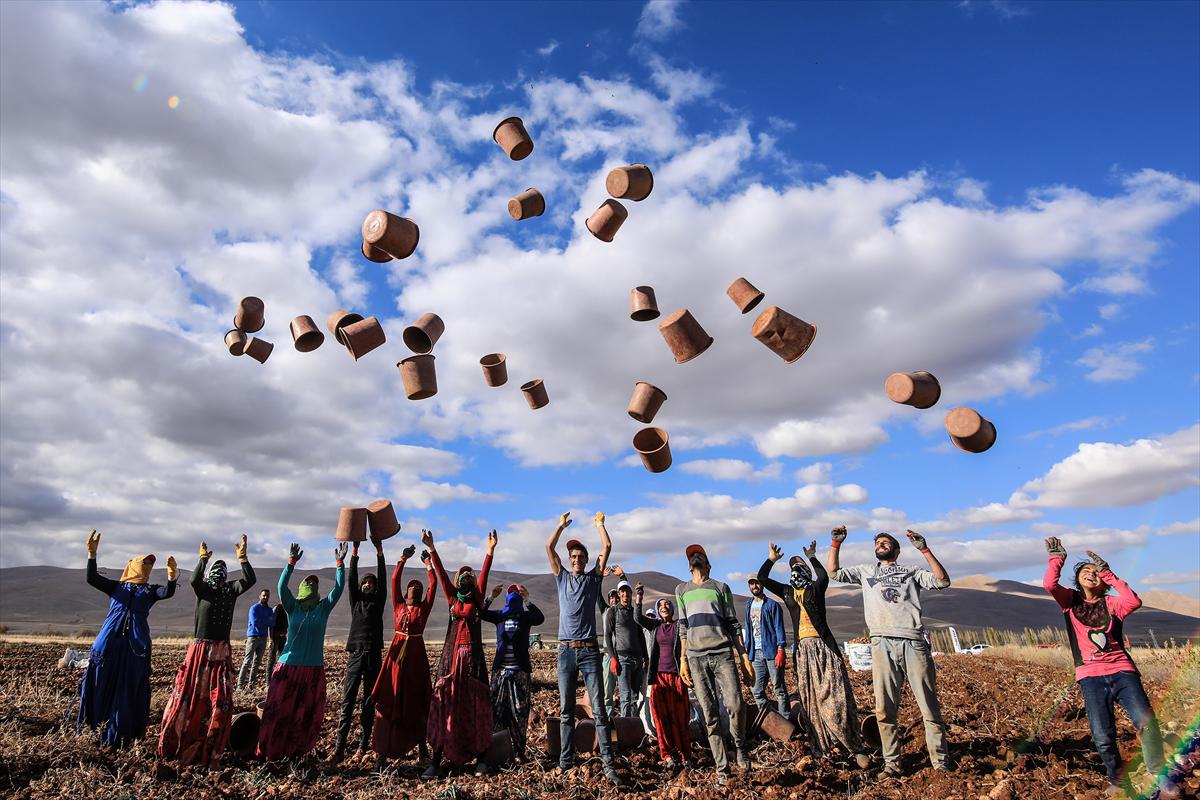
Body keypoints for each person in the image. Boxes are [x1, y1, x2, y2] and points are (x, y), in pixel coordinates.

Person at [1043, 538, 1169, 796]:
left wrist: (1109, 573)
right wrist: (1057, 560)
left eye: (1095, 571)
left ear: (1103, 580)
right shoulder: (1069, 602)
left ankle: (1158, 773)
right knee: (1103, 735)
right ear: (1077, 580)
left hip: (1123, 672)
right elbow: (1049, 585)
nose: (1091, 574)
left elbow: (1133, 601)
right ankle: (1119, 780)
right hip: (1090, 677)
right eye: (1085, 571)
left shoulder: (1112, 604)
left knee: (1146, 722)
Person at [828, 527, 951, 776]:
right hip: (881, 643)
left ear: (896, 549)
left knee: (928, 706)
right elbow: (834, 573)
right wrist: (835, 543)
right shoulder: (866, 571)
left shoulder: (911, 571)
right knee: (884, 709)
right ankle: (892, 764)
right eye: (878, 542)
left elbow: (942, 581)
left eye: (886, 542)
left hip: (912, 641)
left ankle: (941, 764)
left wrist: (924, 549)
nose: (881, 544)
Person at [759, 540, 869, 768]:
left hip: (823, 648)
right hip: (803, 652)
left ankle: (853, 745)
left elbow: (824, 576)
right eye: (792, 567)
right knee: (810, 701)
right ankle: (822, 749)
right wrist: (771, 559)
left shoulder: (815, 589)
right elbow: (762, 580)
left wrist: (811, 555)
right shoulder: (787, 592)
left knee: (836, 696)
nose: (795, 569)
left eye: (799, 566)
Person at [159, 535, 257, 767]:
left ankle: (211, 746)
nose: (220, 573)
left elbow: (250, 580)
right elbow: (193, 579)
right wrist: (202, 560)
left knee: (219, 699)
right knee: (190, 695)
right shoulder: (203, 590)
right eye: (217, 569)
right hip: (200, 652)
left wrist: (243, 559)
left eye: (223, 570)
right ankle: (181, 741)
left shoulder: (230, 590)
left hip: (221, 652)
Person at [77, 530, 177, 748]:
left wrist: (171, 578)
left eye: (150, 564)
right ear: (132, 565)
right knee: (101, 682)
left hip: (134, 648)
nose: (147, 566)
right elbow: (91, 578)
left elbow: (166, 593)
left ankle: (122, 732)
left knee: (128, 689)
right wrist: (91, 555)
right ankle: (95, 728)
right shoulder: (116, 587)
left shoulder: (150, 591)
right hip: (109, 645)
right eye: (144, 562)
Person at [546, 511, 623, 786]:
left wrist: (601, 525)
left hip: (590, 651)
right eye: (573, 557)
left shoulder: (593, 581)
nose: (576, 560)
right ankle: (566, 762)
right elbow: (548, 548)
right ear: (569, 561)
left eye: (581, 557)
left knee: (600, 709)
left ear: (586, 561)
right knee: (566, 710)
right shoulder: (562, 578)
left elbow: (607, 548)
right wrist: (560, 526)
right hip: (565, 651)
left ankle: (608, 762)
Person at [256, 541, 346, 761]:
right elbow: (281, 588)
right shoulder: (292, 606)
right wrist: (290, 564)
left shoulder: (323, 608)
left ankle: (297, 752)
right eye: (308, 583)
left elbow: (339, 589)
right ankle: (269, 751)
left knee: (305, 714)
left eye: (315, 584)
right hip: (288, 666)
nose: (312, 586)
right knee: (278, 710)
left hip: (313, 669)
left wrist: (340, 564)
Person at [675, 543, 751, 787]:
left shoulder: (720, 587)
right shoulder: (681, 590)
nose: (694, 558)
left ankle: (739, 746)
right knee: (710, 713)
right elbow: (683, 627)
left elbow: (732, 623)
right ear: (688, 566)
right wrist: (683, 660)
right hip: (696, 658)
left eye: (699, 555)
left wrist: (744, 657)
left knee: (736, 705)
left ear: (708, 563)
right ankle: (722, 767)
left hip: (722, 653)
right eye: (691, 556)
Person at [423, 528, 496, 777]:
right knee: (446, 706)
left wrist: (490, 551)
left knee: (476, 708)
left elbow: (484, 574)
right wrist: (432, 549)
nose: (466, 575)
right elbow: (441, 575)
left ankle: (481, 760)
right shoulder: (452, 597)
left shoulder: (477, 599)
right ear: (456, 580)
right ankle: (435, 761)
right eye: (462, 573)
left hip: (473, 665)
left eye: (469, 573)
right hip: (452, 662)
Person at [371, 544, 437, 767]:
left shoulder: (423, 609)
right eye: (411, 586)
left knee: (416, 701)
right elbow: (393, 581)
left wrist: (429, 564)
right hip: (396, 657)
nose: (414, 589)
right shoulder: (398, 605)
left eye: (417, 587)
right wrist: (403, 559)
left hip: (416, 659)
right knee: (391, 697)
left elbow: (434, 585)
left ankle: (422, 750)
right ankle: (382, 752)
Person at [332, 537, 387, 764]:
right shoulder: (356, 601)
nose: (367, 585)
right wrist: (353, 553)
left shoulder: (378, 600)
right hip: (355, 654)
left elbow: (384, 579)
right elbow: (351, 579)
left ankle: (364, 747)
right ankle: (339, 749)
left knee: (369, 703)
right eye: (365, 583)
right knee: (347, 702)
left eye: (370, 583)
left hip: (373, 654)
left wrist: (379, 551)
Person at [481, 582, 545, 762]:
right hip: (500, 672)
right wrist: (491, 597)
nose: (514, 595)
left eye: (517, 592)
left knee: (520, 713)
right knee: (497, 711)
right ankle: (497, 751)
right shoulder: (500, 616)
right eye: (511, 592)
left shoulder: (525, 617)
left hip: (520, 673)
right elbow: (481, 613)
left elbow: (540, 618)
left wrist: (528, 599)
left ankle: (518, 752)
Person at [635, 585, 690, 771]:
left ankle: (684, 754)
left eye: (667, 605)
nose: (664, 607)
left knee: (680, 717)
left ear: (673, 609)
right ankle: (667, 754)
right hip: (658, 677)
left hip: (677, 677)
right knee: (660, 717)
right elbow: (637, 617)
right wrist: (639, 598)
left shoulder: (679, 626)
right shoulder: (655, 626)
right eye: (661, 606)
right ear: (658, 611)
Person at [744, 575, 788, 717]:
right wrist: (746, 651)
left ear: (762, 584)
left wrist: (780, 649)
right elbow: (748, 628)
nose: (754, 586)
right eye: (751, 584)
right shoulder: (748, 605)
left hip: (772, 652)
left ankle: (785, 722)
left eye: (757, 583)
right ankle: (770, 721)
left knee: (779, 689)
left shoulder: (772, 605)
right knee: (756, 690)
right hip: (755, 653)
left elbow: (779, 627)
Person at [605, 578, 648, 718]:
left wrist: (646, 657)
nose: (625, 595)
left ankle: (634, 726)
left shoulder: (635, 612)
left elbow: (641, 635)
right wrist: (613, 658)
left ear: (631, 594)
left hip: (638, 659)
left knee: (636, 696)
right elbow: (607, 635)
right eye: (622, 592)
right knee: (625, 696)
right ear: (619, 594)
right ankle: (625, 730)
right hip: (623, 659)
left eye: (627, 592)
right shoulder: (613, 611)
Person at [237, 588, 274, 691]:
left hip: (263, 638)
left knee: (257, 663)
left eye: (267, 596)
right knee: (247, 661)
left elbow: (272, 623)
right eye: (264, 595)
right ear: (260, 596)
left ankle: (251, 686)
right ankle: (239, 686)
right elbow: (255, 623)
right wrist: (267, 621)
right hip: (253, 637)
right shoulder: (254, 608)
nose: (265, 597)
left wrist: (264, 621)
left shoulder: (269, 610)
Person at [266, 598, 287, 685]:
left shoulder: (288, 609)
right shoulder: (277, 608)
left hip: (283, 636)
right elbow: (270, 625)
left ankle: (280, 679)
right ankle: (268, 682)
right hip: (275, 637)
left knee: (282, 658)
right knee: (272, 658)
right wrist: (270, 639)